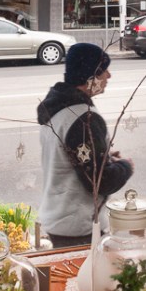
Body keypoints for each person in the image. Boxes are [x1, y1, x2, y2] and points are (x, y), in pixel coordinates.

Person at [37, 43, 134, 248]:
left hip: (59, 216)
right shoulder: (83, 118)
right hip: (77, 225)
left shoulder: (57, 110)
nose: (109, 76)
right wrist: (125, 166)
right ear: (90, 76)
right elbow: (99, 180)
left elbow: (72, 159)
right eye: (104, 70)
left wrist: (104, 157)